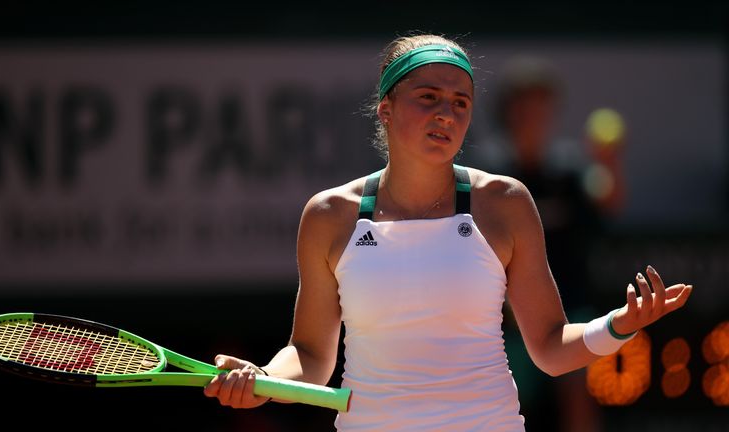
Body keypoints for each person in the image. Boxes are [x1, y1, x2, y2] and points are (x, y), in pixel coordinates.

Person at [203, 34, 692, 431]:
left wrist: (619, 326)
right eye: (428, 98)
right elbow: (310, 356)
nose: (447, 114)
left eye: (461, 102)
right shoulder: (329, 215)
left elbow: (549, 345)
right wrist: (263, 378)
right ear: (386, 109)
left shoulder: (506, 203)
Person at [470, 55, 627, 432]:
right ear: (510, 112)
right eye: (526, 105)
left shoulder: (571, 171)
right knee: (504, 405)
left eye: (542, 105)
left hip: (569, 306)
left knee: (577, 395)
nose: (534, 114)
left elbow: (610, 202)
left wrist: (610, 162)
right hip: (506, 317)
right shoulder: (489, 173)